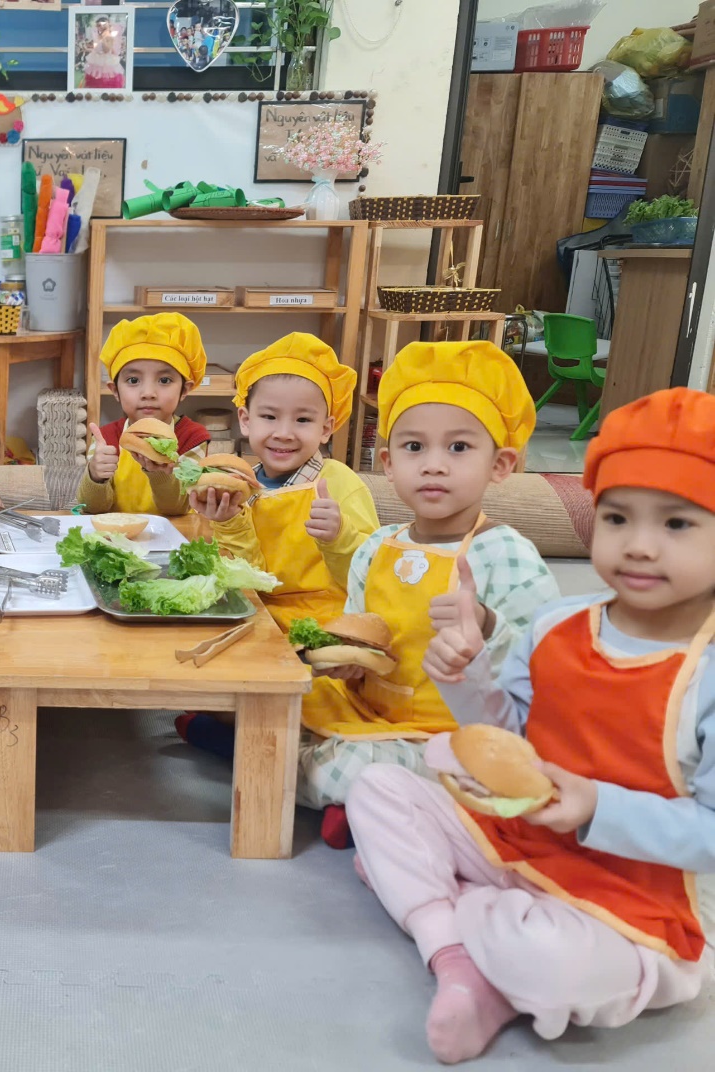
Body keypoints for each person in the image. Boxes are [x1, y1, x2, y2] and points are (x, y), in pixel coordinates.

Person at [348, 388, 715, 1063]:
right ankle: (458, 958)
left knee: (551, 959)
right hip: (510, 840)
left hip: (631, 898)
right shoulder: (557, 625)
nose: (639, 546)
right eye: (616, 518)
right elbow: (509, 741)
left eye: (676, 524)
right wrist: (466, 675)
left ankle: (445, 912)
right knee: (377, 788)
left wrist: (595, 807)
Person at [300, 341, 560, 848]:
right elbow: (361, 639)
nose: (433, 465)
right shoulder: (376, 546)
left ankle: (352, 799)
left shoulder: (507, 554)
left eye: (458, 448)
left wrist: (486, 625)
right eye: (414, 447)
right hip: (367, 712)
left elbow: (546, 667)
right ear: (387, 462)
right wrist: (347, 664)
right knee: (274, 704)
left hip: (451, 735)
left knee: (347, 767)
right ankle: (350, 797)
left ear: (501, 464)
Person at [177, 333, 378, 755]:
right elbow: (243, 581)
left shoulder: (340, 483)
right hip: (260, 622)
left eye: (303, 420)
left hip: (325, 627)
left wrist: (339, 537)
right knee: (195, 676)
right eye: (269, 417)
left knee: (315, 698)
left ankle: (257, 747)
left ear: (327, 428)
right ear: (246, 420)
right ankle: (249, 736)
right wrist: (226, 523)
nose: (284, 433)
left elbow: (372, 580)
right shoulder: (237, 485)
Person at [80, 313, 210, 517]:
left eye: (164, 380)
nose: (148, 393)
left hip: (175, 535)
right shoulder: (105, 439)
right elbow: (92, 508)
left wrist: (160, 473)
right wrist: (96, 476)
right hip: (117, 535)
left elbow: (177, 508)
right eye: (133, 380)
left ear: (185, 390)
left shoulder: (192, 438)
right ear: (115, 390)